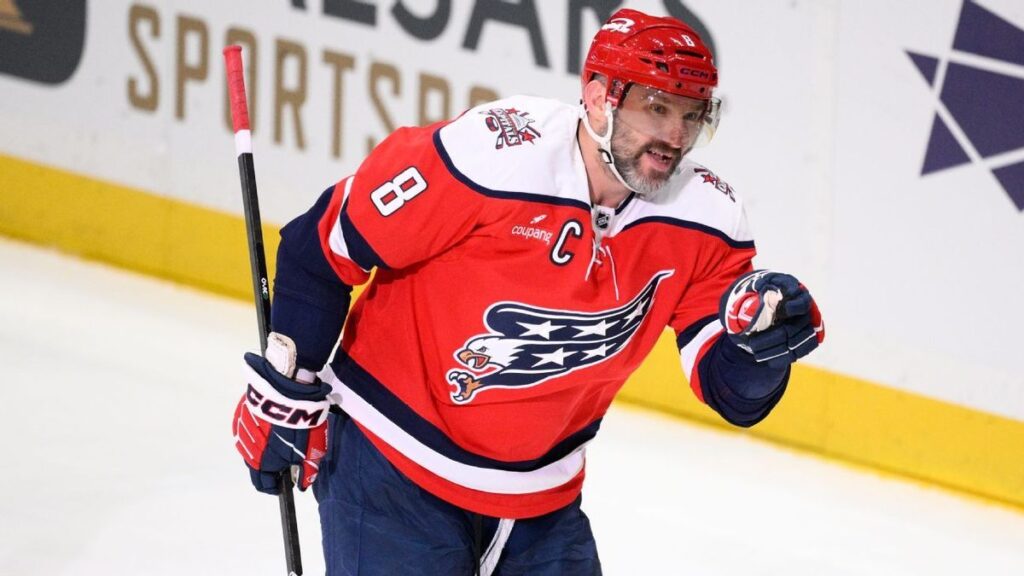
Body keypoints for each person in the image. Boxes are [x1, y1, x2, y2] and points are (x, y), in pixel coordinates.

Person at [232, 8, 824, 575]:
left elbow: (731, 392)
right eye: (656, 107)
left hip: (542, 501)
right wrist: (291, 384)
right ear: (597, 97)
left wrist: (762, 348)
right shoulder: (489, 157)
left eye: (692, 115)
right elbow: (322, 246)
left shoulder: (707, 218)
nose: (675, 135)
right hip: (391, 468)